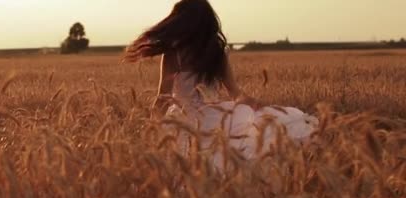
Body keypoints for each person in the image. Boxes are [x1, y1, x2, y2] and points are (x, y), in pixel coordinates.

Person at [123, 0, 319, 170]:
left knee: (187, 166)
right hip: (216, 117)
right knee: (238, 153)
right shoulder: (217, 53)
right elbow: (236, 94)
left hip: (183, 121)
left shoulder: (173, 54)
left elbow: (163, 98)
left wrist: (150, 129)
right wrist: (261, 107)